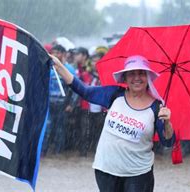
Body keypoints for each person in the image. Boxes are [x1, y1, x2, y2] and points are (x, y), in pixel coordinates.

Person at [51, 54, 175, 191]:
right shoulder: (115, 94)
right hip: (106, 169)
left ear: (148, 77)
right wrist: (59, 66)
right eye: (131, 74)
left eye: (141, 73)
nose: (137, 78)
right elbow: (84, 91)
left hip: (138, 174)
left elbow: (168, 142)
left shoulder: (157, 107)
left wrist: (167, 122)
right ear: (125, 78)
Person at [42, 44, 76, 156]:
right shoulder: (48, 68)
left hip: (63, 104)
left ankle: (58, 151)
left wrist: (71, 104)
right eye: (53, 53)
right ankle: (44, 151)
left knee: (60, 129)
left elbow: (75, 88)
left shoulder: (69, 69)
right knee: (47, 127)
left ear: (64, 54)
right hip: (49, 103)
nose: (55, 55)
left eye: (58, 53)